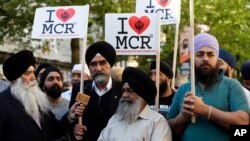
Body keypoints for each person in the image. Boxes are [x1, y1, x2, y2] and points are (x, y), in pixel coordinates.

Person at [167, 33, 250, 141]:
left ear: (217, 59)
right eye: (199, 54)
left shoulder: (232, 85)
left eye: (211, 54)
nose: (205, 58)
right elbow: (168, 130)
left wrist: (206, 110)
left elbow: (243, 122)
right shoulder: (183, 89)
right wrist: (182, 116)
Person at [0, 50, 85, 141]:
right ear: (14, 80)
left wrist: (69, 117)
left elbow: (54, 131)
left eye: (33, 72)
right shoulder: (2, 103)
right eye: (27, 73)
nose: (33, 77)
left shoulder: (38, 100)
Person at [87, 67, 172, 141]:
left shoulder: (157, 122)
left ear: (142, 96)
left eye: (130, 91)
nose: (124, 95)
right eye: (123, 91)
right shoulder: (114, 120)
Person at [69, 41, 123, 141]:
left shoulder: (122, 89)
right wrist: (73, 128)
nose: (98, 68)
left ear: (110, 65)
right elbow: (72, 119)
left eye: (102, 63)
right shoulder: (80, 88)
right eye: (93, 64)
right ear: (88, 68)